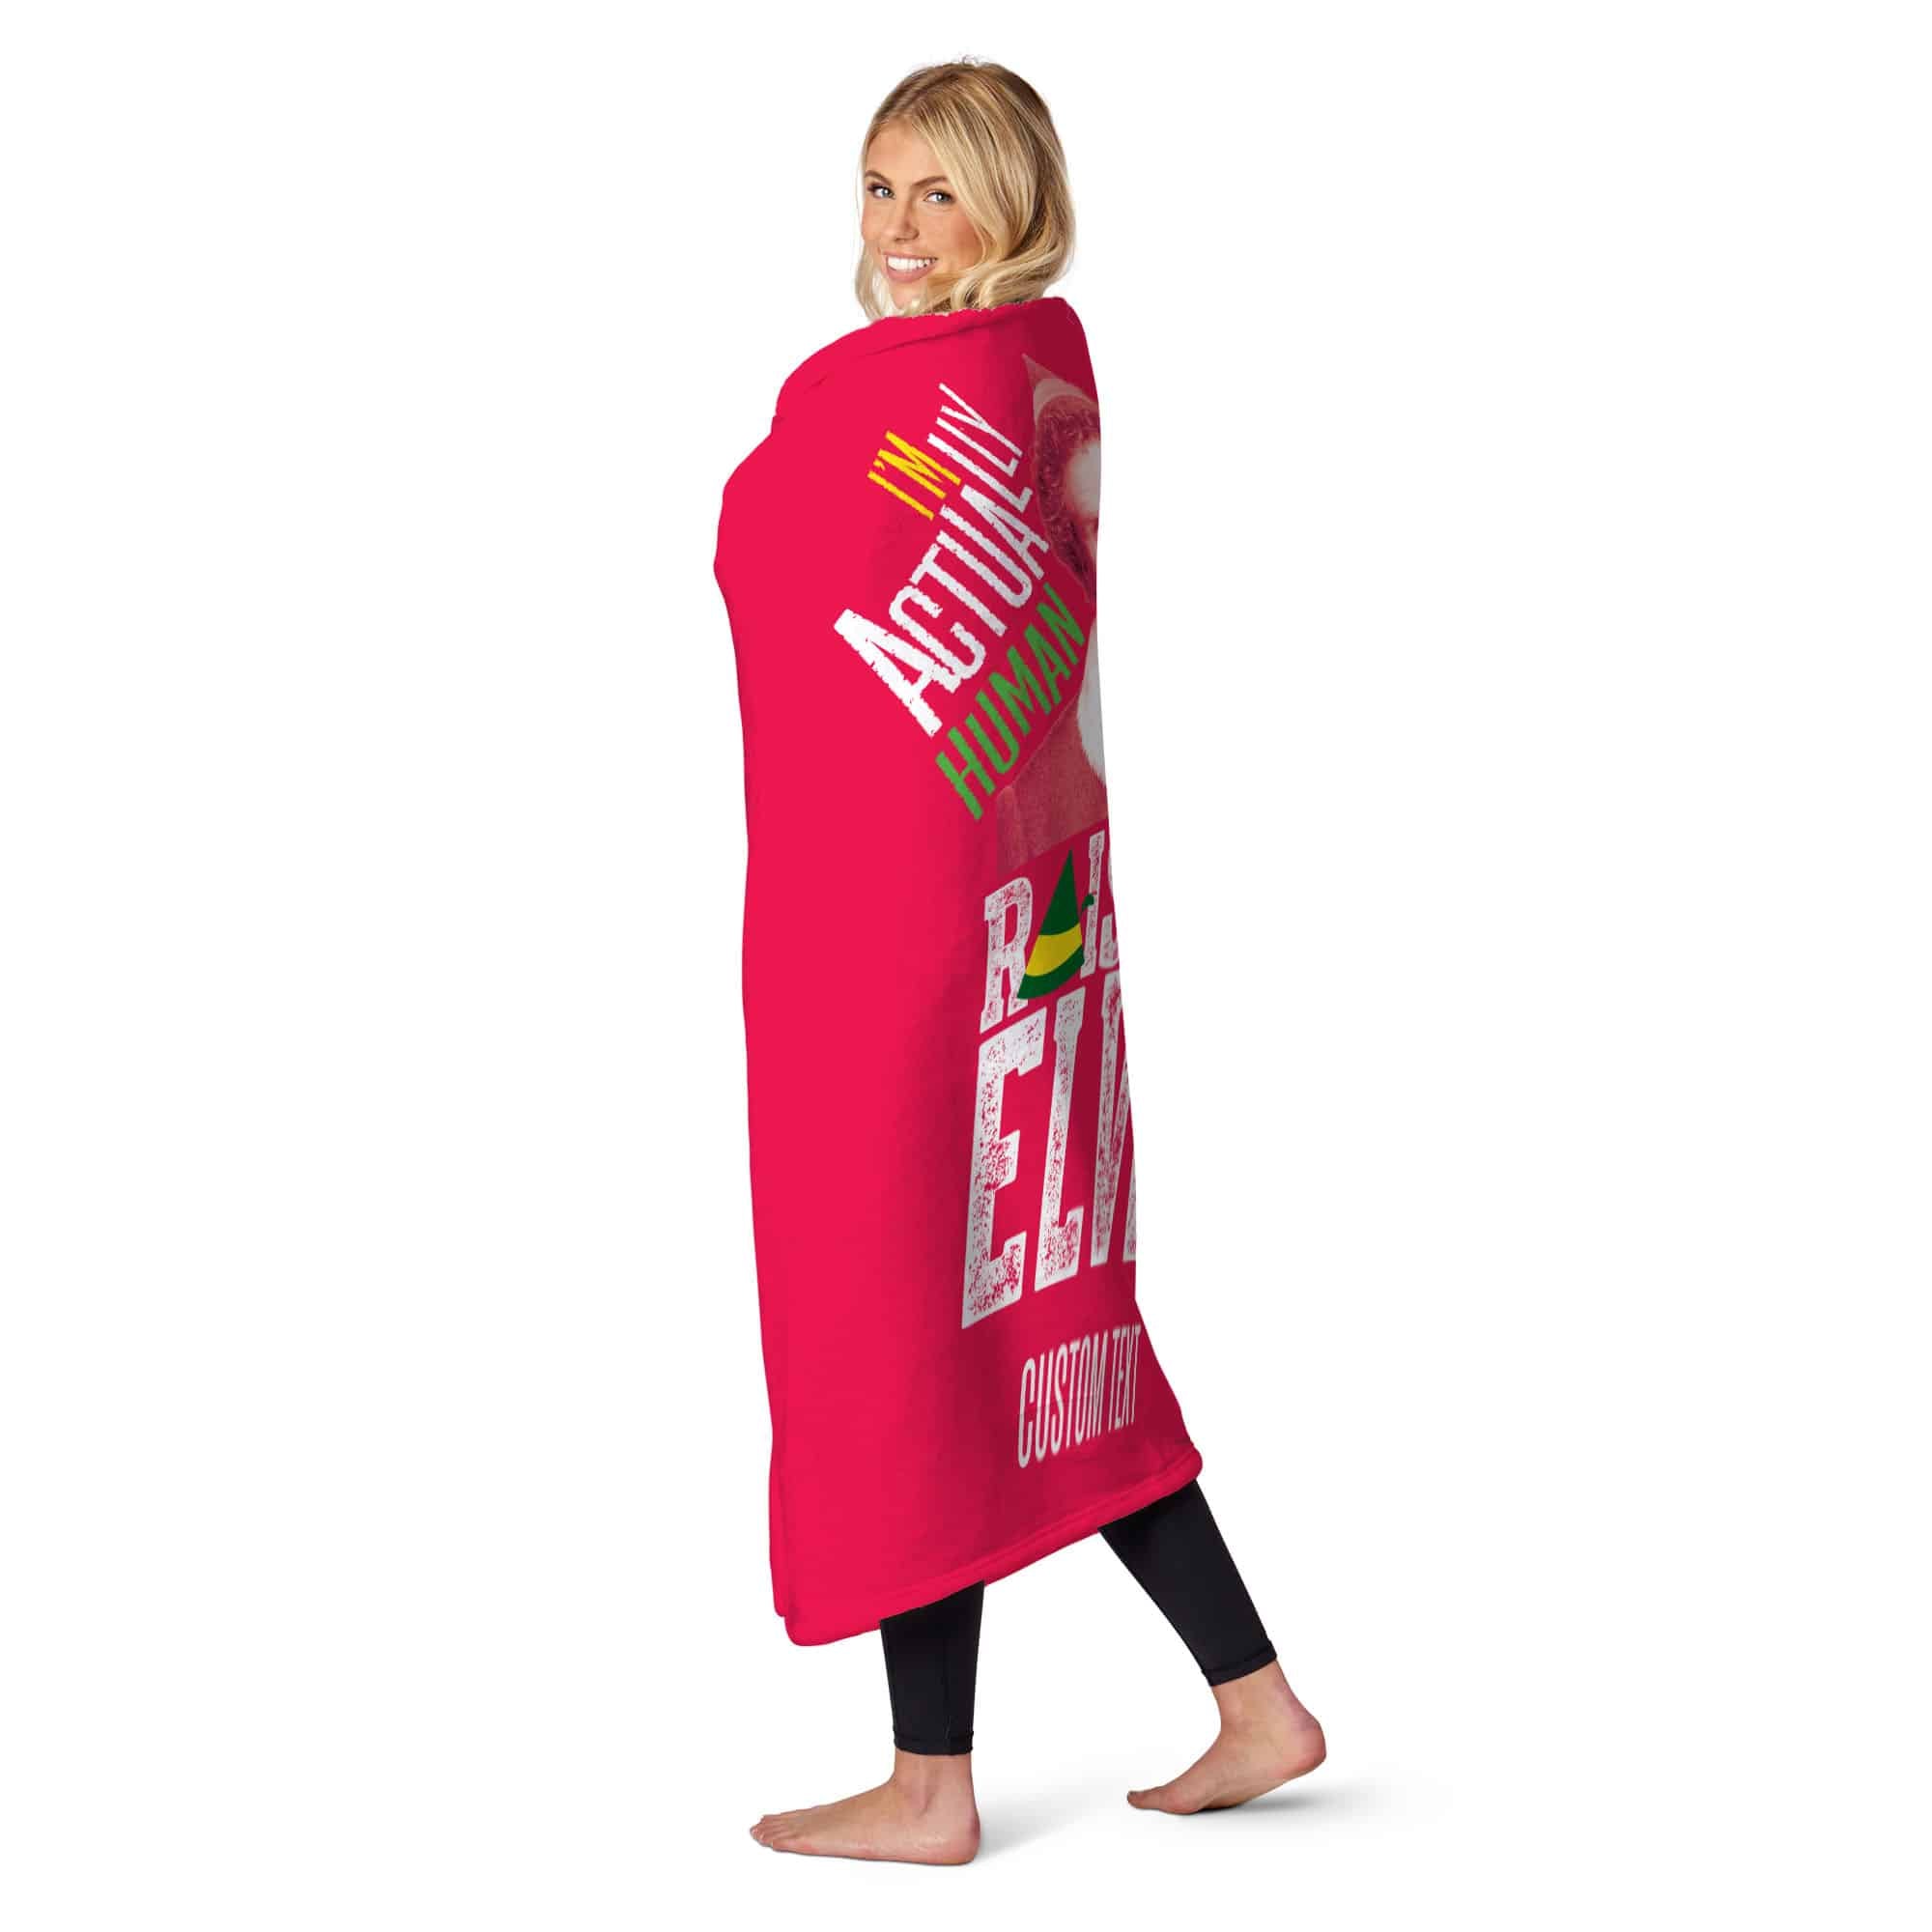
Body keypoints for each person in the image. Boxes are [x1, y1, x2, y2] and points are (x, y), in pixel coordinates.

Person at [713, 60, 1324, 1866]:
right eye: (879, 187)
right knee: (1034, 1321)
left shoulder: (925, 391)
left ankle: (932, 1787)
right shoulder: (1039, 375)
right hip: (1020, 919)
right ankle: (1252, 1703)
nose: (900, 230)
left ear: (1015, 205)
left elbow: (776, 548)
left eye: (940, 192)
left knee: (905, 1319)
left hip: (897, 943)